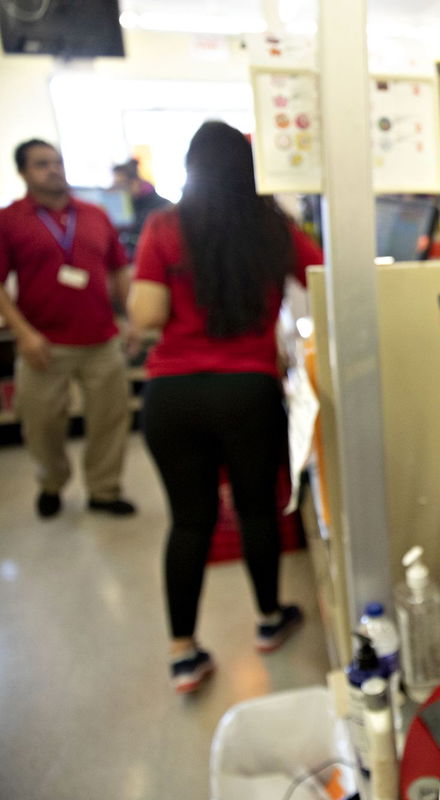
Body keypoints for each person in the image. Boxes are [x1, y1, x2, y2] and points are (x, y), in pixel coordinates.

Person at [129, 121, 323, 693]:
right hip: (249, 391)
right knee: (256, 509)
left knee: (190, 521)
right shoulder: (273, 228)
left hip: (174, 395)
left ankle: (183, 652)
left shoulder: (163, 226)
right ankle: (268, 620)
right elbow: (324, 279)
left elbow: (146, 316)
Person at [0, 139, 137, 519]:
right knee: (41, 426)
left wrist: (129, 317)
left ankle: (104, 490)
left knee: (110, 420)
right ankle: (51, 482)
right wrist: (23, 334)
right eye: (43, 164)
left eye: (58, 162)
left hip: (102, 340)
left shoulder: (94, 215)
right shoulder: (9, 220)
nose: (54, 169)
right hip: (43, 344)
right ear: (24, 172)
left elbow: (118, 269)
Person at [111, 157, 170, 257]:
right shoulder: (127, 205)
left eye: (121, 185)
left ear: (135, 182)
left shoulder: (162, 207)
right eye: (115, 185)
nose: (118, 190)